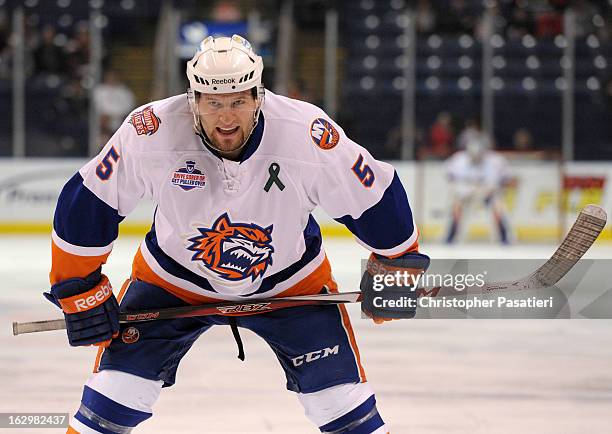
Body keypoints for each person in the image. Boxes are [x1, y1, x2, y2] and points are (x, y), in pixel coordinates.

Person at [44, 35, 428, 434]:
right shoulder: (150, 131)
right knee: (111, 398)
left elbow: (372, 197)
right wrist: (78, 287)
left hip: (291, 287)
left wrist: (398, 266)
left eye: (239, 101)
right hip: (172, 282)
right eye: (213, 103)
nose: (226, 117)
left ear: (259, 96)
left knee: (342, 404)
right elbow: (89, 202)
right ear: (193, 99)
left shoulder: (306, 133)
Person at [445, 135, 511, 244]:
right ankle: (450, 236)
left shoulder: (495, 161)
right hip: (466, 192)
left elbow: (505, 177)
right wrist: (459, 190)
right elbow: (449, 175)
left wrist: (492, 189)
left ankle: (504, 236)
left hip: (487, 192)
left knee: (497, 206)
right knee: (456, 206)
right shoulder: (459, 160)